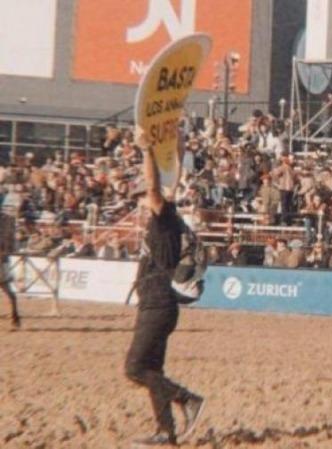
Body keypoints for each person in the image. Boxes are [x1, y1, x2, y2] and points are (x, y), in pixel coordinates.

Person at [125, 127, 205, 446]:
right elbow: (169, 183)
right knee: (152, 370)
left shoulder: (162, 219)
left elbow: (156, 186)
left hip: (157, 303)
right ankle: (166, 432)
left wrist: (146, 150)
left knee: (134, 368)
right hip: (159, 303)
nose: (141, 200)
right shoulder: (168, 220)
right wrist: (179, 149)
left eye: (142, 197)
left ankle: (187, 399)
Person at [0, 211, 20, 328]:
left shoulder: (8, 220)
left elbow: (10, 242)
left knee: (8, 289)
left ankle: (15, 316)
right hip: (3, 259)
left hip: (2, 260)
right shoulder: (8, 220)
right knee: (8, 289)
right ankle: (15, 317)